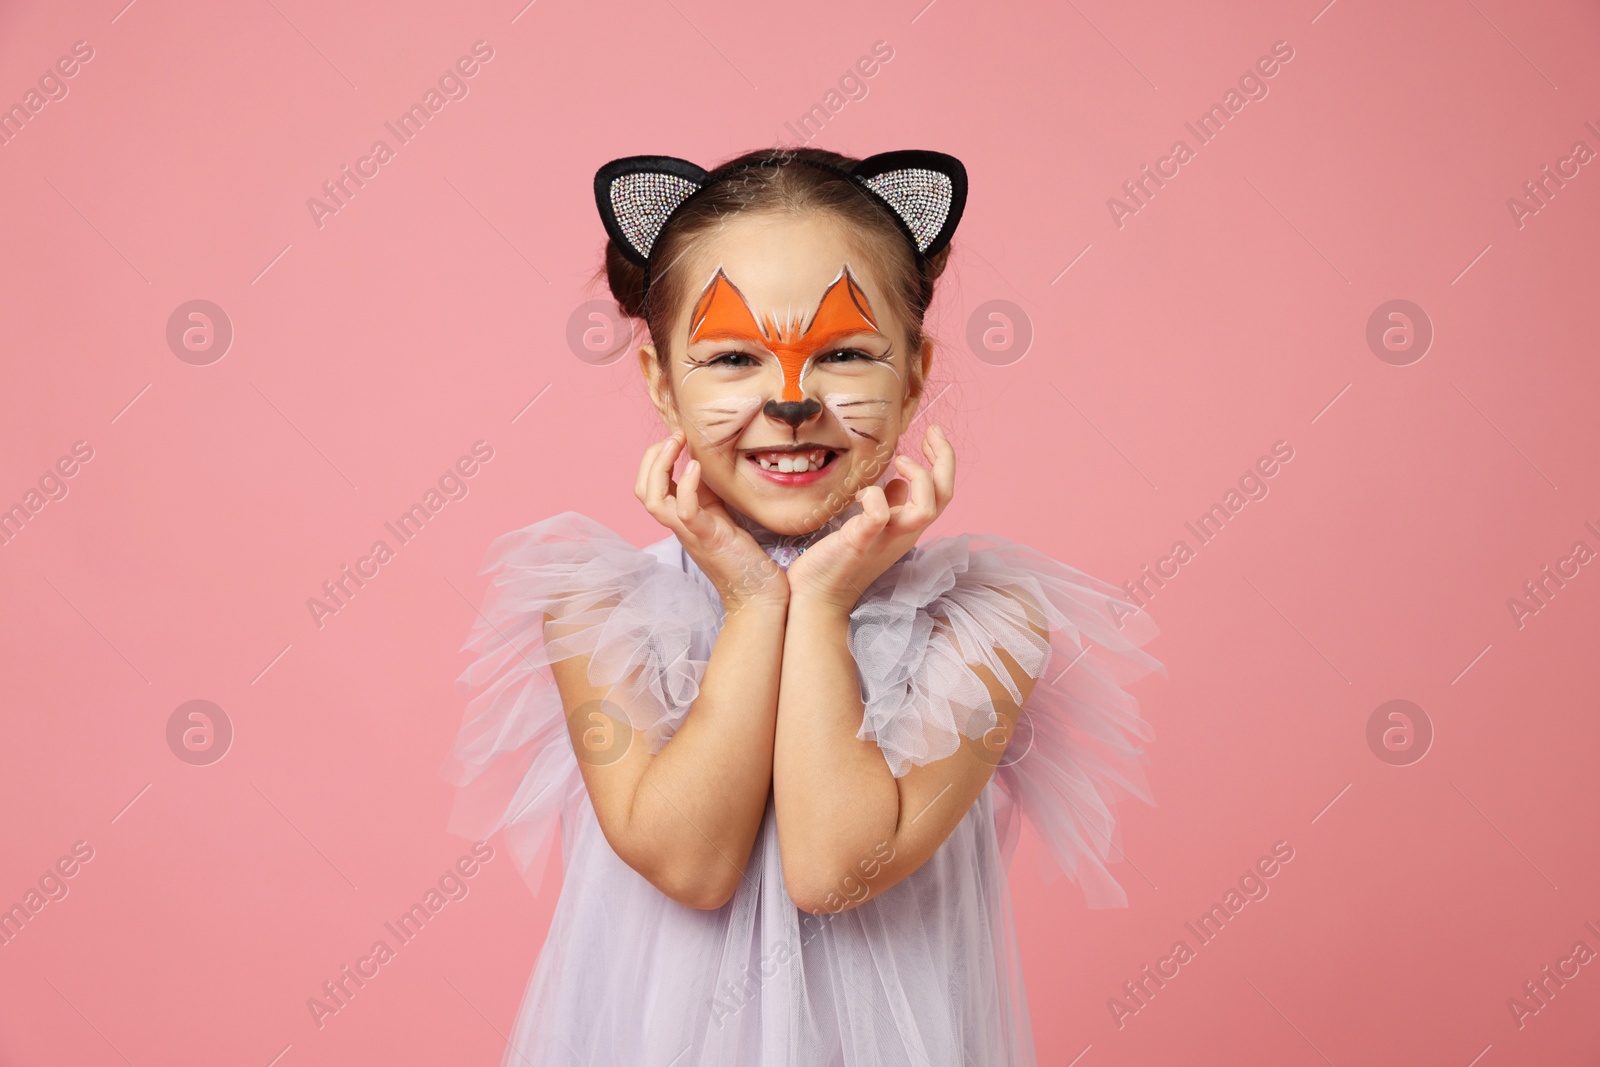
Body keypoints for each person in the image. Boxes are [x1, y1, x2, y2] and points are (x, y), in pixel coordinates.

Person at [443, 145, 1165, 1066]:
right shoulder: (600, 610)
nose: (789, 400)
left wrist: (818, 606)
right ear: (663, 382)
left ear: (911, 376)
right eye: (734, 357)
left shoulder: (987, 629)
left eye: (845, 355)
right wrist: (751, 599)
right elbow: (690, 863)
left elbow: (834, 869)